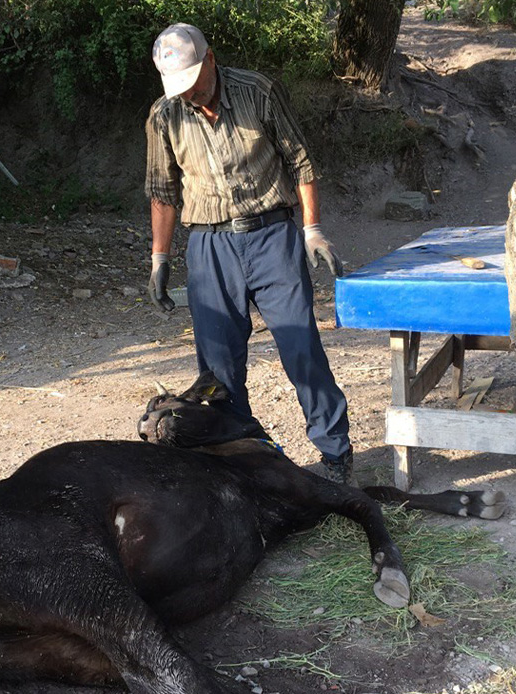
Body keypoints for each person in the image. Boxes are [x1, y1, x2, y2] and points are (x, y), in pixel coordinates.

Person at [143, 23, 355, 483]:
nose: (190, 94)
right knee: (218, 367)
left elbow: (301, 161)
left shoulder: (258, 92)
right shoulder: (164, 115)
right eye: (179, 87)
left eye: (195, 82)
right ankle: (240, 458)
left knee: (301, 346)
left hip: (271, 235)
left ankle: (335, 454)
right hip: (209, 246)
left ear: (211, 60)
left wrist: (312, 229)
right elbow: (163, 192)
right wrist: (160, 259)